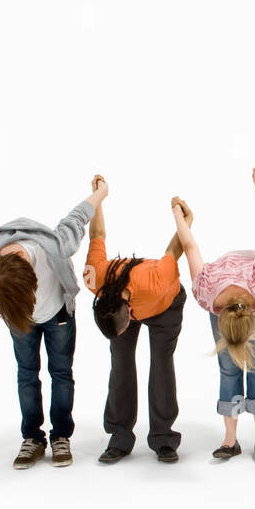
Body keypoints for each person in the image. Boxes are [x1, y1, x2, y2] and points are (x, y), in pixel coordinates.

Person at [0, 176, 108, 469]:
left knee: (60, 372)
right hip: (19, 322)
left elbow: (77, 217)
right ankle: (32, 438)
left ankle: (60, 436)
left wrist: (100, 194)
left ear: (32, 280)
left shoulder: (54, 247)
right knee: (27, 374)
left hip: (57, 316)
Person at [175, 166, 255, 462]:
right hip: (226, 288)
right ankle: (231, 437)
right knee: (229, 366)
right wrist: (179, 216)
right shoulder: (206, 293)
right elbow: (188, 244)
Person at [84, 179, 193, 465]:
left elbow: (174, 250)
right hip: (123, 305)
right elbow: (97, 233)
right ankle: (120, 436)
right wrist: (97, 198)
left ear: (130, 312)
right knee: (120, 363)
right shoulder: (95, 277)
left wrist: (185, 220)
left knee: (161, 363)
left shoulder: (156, 282)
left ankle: (164, 437)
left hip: (165, 304)